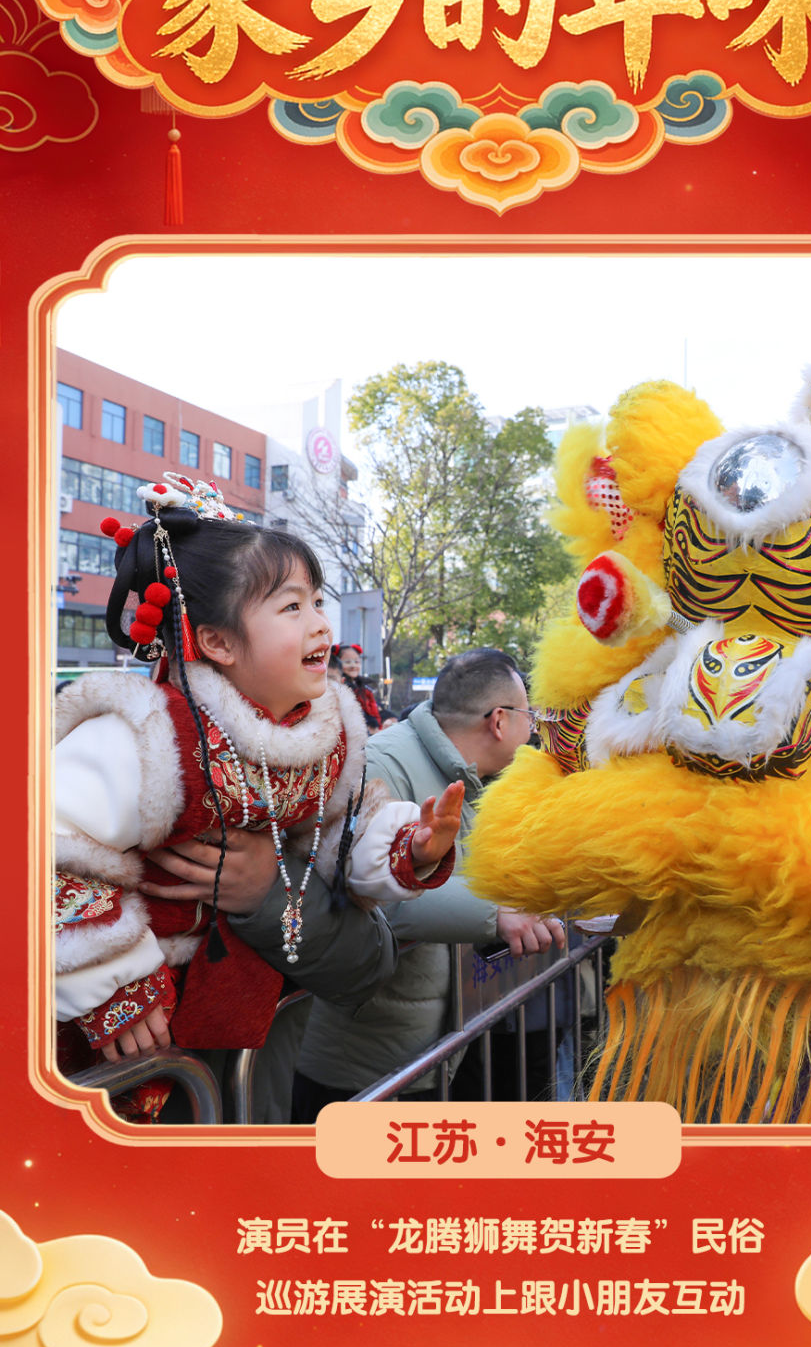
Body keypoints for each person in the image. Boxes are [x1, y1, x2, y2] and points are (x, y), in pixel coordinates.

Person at [54, 472, 462, 1115]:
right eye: (292, 607)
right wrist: (110, 985)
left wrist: (409, 847)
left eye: (318, 601)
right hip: (118, 1031)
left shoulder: (324, 736)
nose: (321, 624)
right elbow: (46, 847)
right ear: (217, 641)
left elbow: (335, 833)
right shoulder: (147, 734)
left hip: (236, 1029)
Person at [288, 648, 566, 1115]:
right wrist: (495, 913)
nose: (535, 729)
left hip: (441, 1039)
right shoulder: (382, 764)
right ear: (499, 721)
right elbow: (372, 895)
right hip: (369, 1059)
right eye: (530, 716)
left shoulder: (477, 775)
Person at [335, 642, 382, 732]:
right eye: (347, 662)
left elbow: (374, 712)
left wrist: (376, 726)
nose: (353, 666)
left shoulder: (365, 689)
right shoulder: (338, 687)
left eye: (356, 662)